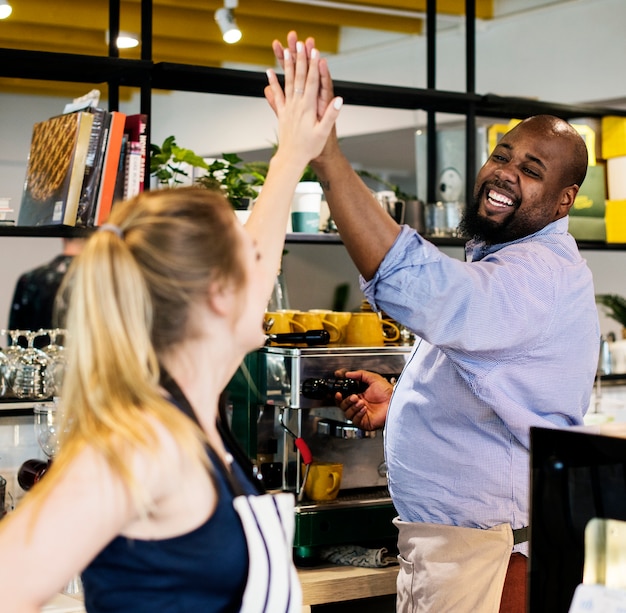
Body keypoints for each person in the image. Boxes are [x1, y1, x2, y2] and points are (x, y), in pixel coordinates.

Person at [0, 43, 342, 612]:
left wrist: (293, 154)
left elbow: (260, 248)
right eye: (252, 267)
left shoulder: (195, 403)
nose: (268, 281)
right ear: (215, 295)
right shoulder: (143, 441)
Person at [267, 32, 599, 613]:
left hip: (485, 557)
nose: (505, 173)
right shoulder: (504, 264)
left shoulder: (537, 273)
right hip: (461, 543)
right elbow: (493, 392)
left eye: (532, 168)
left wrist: (327, 159)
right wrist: (399, 405)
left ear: (565, 199)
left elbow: (427, 291)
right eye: (501, 155)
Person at [8, 237, 85, 346]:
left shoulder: (30, 279)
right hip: (85, 359)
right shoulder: (100, 281)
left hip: (35, 360)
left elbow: (15, 338)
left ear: (62, 237)